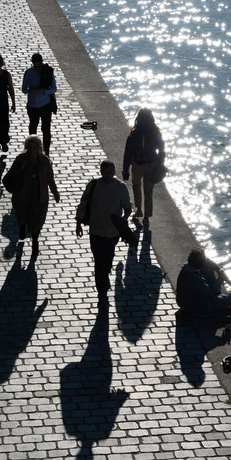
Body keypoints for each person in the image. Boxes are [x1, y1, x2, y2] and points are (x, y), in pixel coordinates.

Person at [76, 160, 131, 309]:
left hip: (112, 233)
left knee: (107, 261)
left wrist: (123, 220)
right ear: (100, 172)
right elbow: (83, 204)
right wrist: (78, 223)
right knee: (99, 263)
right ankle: (101, 293)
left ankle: (104, 278)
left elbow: (127, 208)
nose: (107, 176)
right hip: (95, 231)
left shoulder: (121, 187)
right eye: (104, 173)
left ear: (114, 172)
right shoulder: (93, 185)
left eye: (109, 173)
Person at [2, 135, 59, 261]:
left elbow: (50, 178)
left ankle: (35, 240)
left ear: (39, 148)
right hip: (23, 195)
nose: (32, 150)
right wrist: (21, 168)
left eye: (34, 147)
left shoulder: (44, 160)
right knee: (22, 215)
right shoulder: (21, 159)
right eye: (30, 147)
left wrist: (55, 192)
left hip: (39, 197)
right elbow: (12, 173)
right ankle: (22, 227)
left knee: (37, 221)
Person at [122, 108, 165, 224]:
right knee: (148, 192)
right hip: (151, 164)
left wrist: (125, 169)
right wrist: (161, 164)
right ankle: (146, 216)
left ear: (138, 118)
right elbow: (161, 150)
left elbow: (128, 153)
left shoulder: (134, 133)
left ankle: (139, 210)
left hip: (137, 164)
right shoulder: (155, 133)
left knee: (136, 186)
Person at [22, 53, 57, 156]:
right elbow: (24, 89)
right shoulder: (28, 73)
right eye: (35, 65)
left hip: (45, 104)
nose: (37, 68)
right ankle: (31, 149)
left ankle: (46, 151)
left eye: (39, 65)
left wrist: (44, 91)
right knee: (33, 126)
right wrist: (31, 91)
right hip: (32, 105)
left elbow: (54, 88)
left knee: (46, 129)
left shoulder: (48, 72)